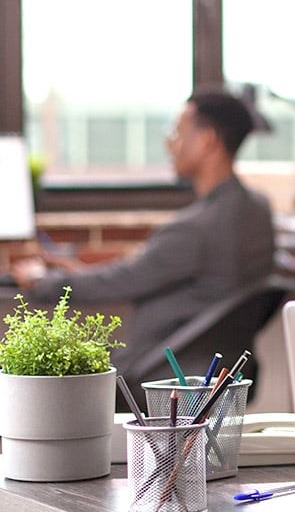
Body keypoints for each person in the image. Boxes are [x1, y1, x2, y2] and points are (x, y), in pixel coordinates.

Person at [13, 87, 277, 379]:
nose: (169, 144)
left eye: (177, 133)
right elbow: (143, 276)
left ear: (207, 140)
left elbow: (120, 281)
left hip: (160, 374)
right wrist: (76, 270)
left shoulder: (194, 229)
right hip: (215, 370)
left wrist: (42, 281)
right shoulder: (258, 210)